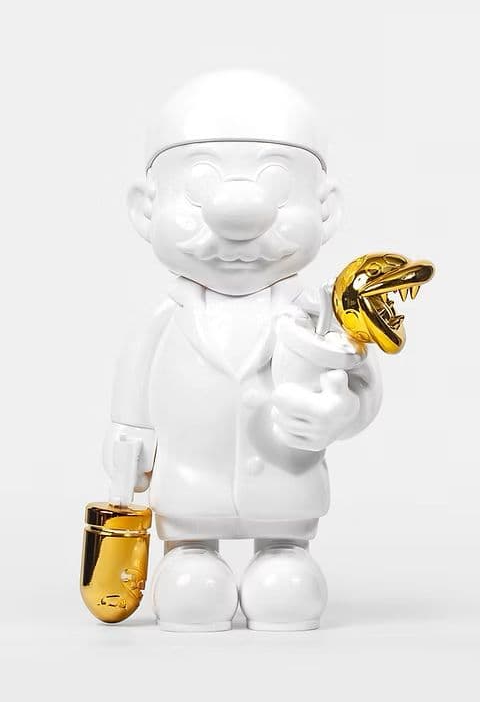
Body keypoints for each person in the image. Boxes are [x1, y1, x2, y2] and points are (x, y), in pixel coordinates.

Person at [103, 70, 382, 631]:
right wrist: (128, 441)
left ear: (326, 211)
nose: (238, 216)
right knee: (191, 591)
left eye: (276, 187)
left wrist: (341, 413)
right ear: (145, 209)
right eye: (199, 185)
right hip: (189, 489)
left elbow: (359, 382)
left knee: (287, 589)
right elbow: (132, 401)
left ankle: (283, 559)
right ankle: (190, 558)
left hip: (286, 486)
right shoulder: (164, 321)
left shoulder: (325, 314)